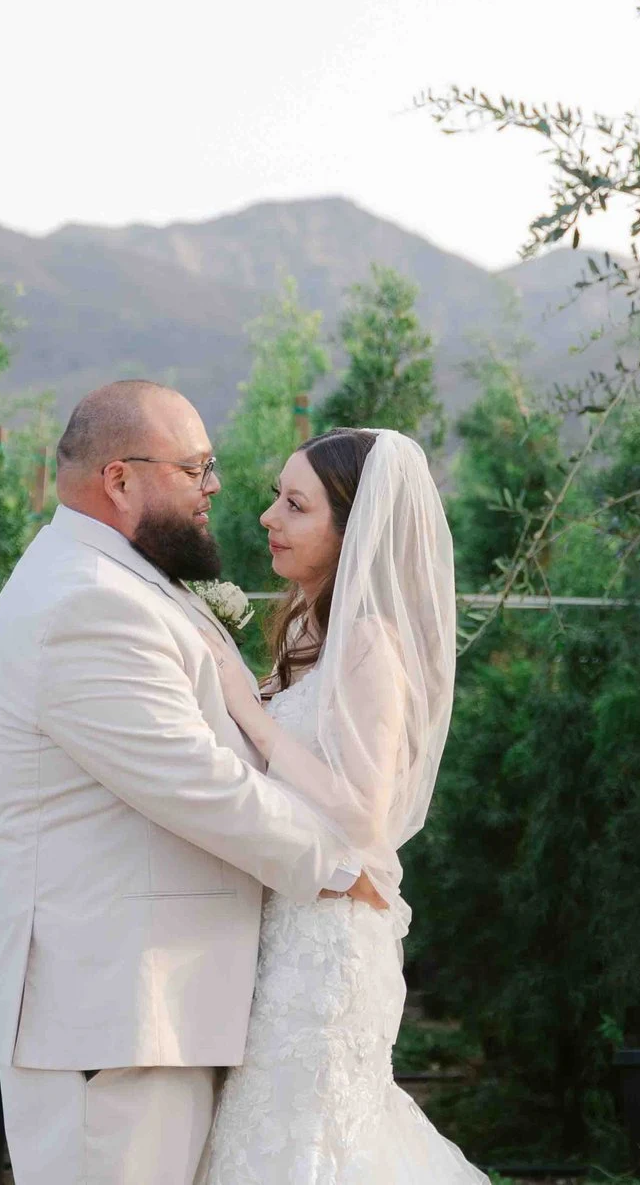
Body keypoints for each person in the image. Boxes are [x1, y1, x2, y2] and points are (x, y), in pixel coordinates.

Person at [0, 381, 387, 1185]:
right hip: (113, 1018)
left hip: (153, 1010)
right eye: (196, 467)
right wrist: (341, 869)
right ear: (121, 478)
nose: (216, 487)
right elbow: (195, 781)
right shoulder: (86, 603)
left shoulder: (120, 580)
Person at [196, 426, 486, 1185]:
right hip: (283, 925)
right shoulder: (306, 630)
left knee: (314, 1143)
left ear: (351, 528)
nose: (269, 517)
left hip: (329, 946)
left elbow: (363, 814)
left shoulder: (371, 644)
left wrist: (250, 710)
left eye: (296, 505)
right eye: (274, 497)